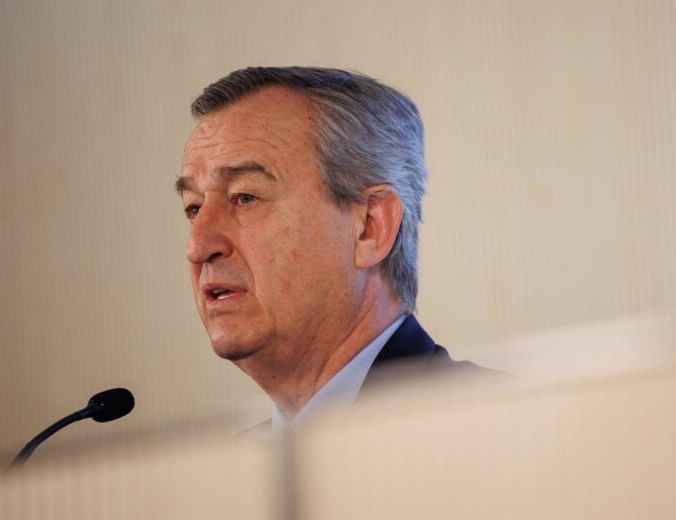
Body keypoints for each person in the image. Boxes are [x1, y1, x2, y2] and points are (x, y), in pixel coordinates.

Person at [176, 67, 482, 431]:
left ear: (369, 227)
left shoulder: (493, 426)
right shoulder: (231, 462)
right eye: (194, 208)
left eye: (245, 197)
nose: (197, 246)